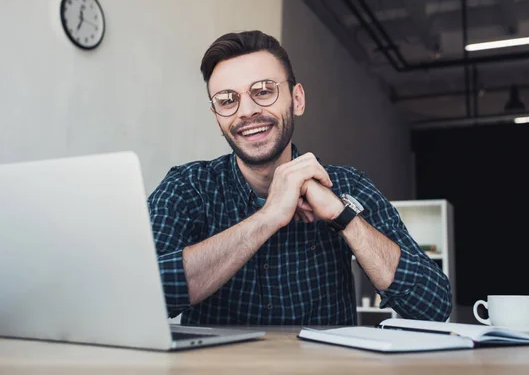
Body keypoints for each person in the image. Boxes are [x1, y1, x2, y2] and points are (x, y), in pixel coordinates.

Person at [148, 30, 452, 326]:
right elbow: (146, 295)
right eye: (228, 100)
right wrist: (268, 217)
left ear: (297, 99)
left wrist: (340, 215)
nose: (248, 111)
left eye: (264, 91)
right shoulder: (187, 187)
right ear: (218, 118)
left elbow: (433, 306)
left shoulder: (347, 186)